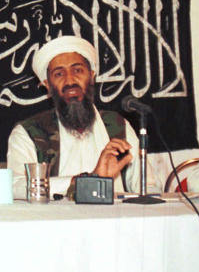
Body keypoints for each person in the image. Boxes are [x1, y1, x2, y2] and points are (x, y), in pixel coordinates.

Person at [7, 35, 143, 199]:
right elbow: (16, 186)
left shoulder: (118, 126)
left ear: (91, 76)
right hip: (55, 222)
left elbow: (147, 185)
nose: (70, 80)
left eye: (77, 70)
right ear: (47, 85)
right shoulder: (28, 132)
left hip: (113, 221)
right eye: (59, 74)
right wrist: (82, 181)